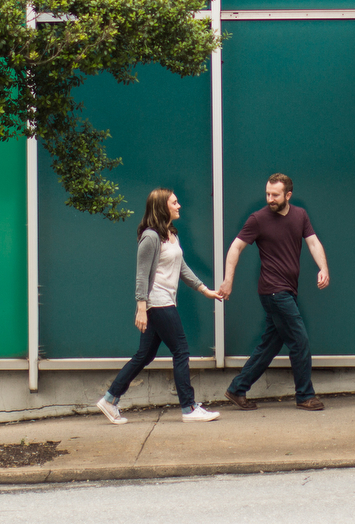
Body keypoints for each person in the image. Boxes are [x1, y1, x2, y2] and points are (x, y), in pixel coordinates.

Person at [97, 188, 223, 424]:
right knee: (181, 350)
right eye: (175, 202)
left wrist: (204, 290)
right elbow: (141, 275)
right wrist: (142, 308)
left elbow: (181, 267)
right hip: (157, 302)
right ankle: (189, 407)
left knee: (144, 355)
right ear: (162, 207)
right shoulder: (151, 237)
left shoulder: (170, 234)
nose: (179, 206)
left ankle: (110, 399)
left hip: (163, 301)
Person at [220, 173, 330, 411]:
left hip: (287, 291)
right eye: (267, 193)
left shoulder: (300, 215)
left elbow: (313, 242)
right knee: (299, 341)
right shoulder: (258, 219)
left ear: (288, 195)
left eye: (275, 195)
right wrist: (228, 280)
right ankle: (305, 395)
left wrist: (323, 268)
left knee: (270, 344)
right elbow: (235, 248)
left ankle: (238, 389)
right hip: (273, 291)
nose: (270, 198)